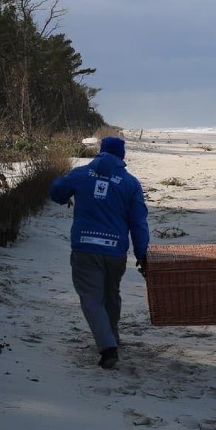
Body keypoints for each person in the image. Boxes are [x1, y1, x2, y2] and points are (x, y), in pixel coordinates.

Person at [49, 136, 150, 369]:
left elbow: (56, 190)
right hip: (115, 252)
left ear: (100, 152)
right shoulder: (130, 183)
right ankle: (112, 336)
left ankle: (108, 348)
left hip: (85, 248)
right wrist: (142, 254)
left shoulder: (81, 174)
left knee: (92, 299)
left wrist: (66, 194)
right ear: (122, 157)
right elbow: (139, 223)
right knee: (111, 295)